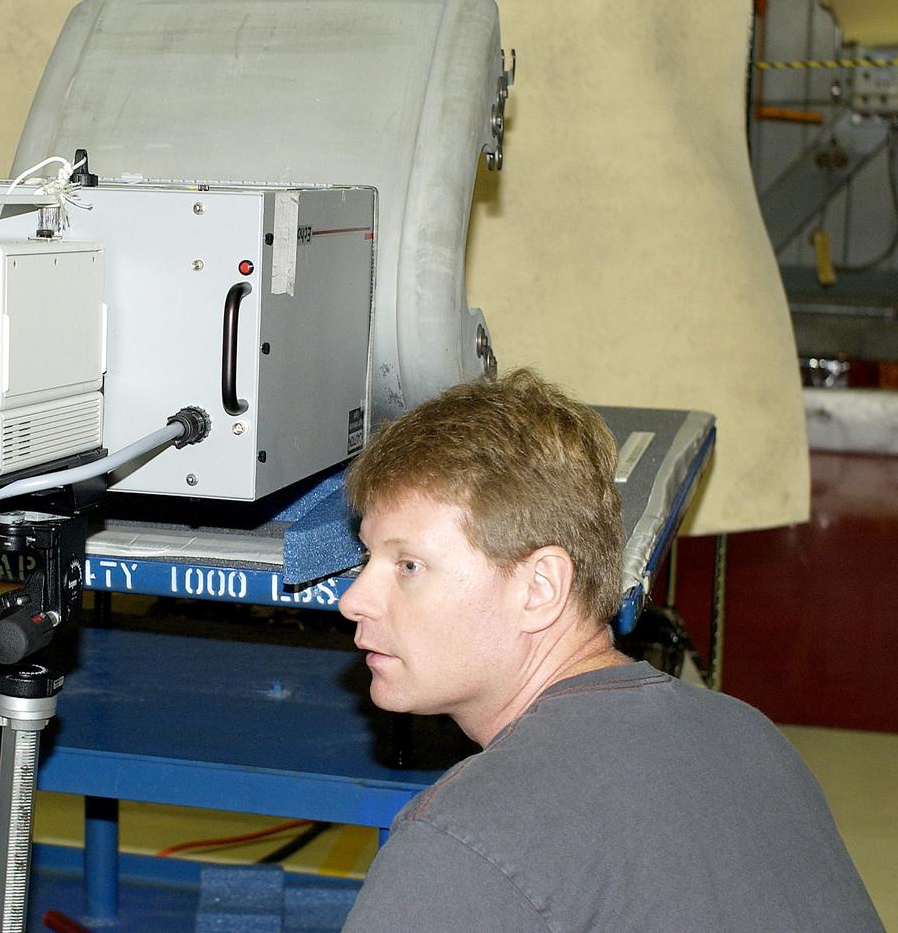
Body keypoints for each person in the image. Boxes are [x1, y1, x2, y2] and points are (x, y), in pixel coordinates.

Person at [337, 369, 881, 932]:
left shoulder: (461, 847)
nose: (354, 600)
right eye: (367, 558)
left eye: (408, 566)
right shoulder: (749, 736)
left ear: (539, 589)